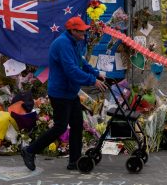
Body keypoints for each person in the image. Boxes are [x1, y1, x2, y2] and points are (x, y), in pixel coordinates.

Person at [21, 16, 107, 171]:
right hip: (60, 93)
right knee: (60, 127)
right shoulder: (62, 44)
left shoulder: (73, 42)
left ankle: (74, 161)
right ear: (72, 30)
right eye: (81, 31)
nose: (84, 34)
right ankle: (30, 150)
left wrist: (96, 72)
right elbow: (71, 70)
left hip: (70, 91)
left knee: (77, 125)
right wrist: (92, 80)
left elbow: (81, 62)